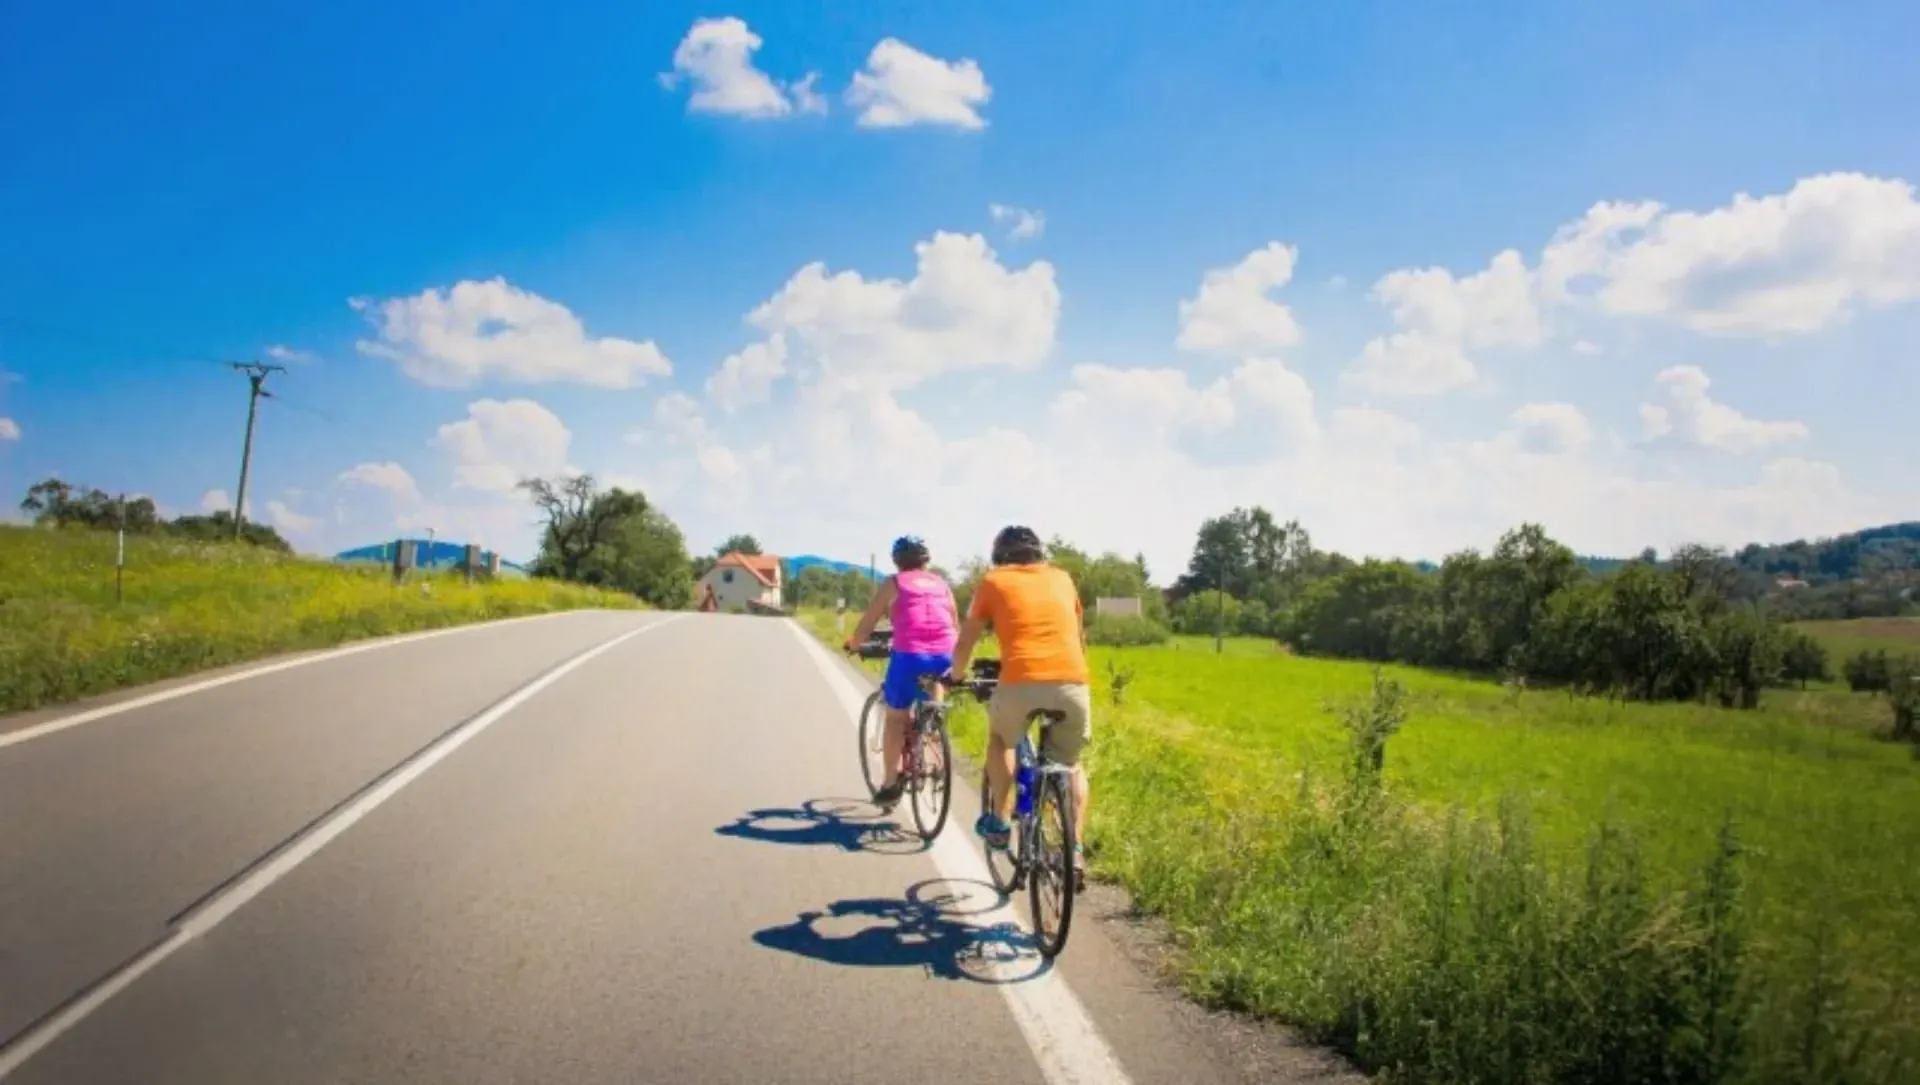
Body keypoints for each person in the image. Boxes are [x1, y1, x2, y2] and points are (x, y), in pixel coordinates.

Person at [948, 525, 1091, 887]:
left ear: (1000, 556)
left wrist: (955, 675)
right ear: (1039, 555)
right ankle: (1075, 849)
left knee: (1001, 740)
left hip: (1020, 679)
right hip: (1073, 681)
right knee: (1071, 765)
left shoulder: (993, 580)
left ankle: (999, 820)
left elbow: (966, 639)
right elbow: (1079, 638)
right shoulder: (1063, 578)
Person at [842, 535, 959, 810]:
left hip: (910, 655)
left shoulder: (894, 583)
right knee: (933, 703)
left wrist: (853, 644)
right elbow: (954, 623)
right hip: (946, 654)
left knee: (895, 719)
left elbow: (866, 625)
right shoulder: (942, 584)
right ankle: (934, 738)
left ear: (897, 561)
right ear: (926, 561)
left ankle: (889, 784)